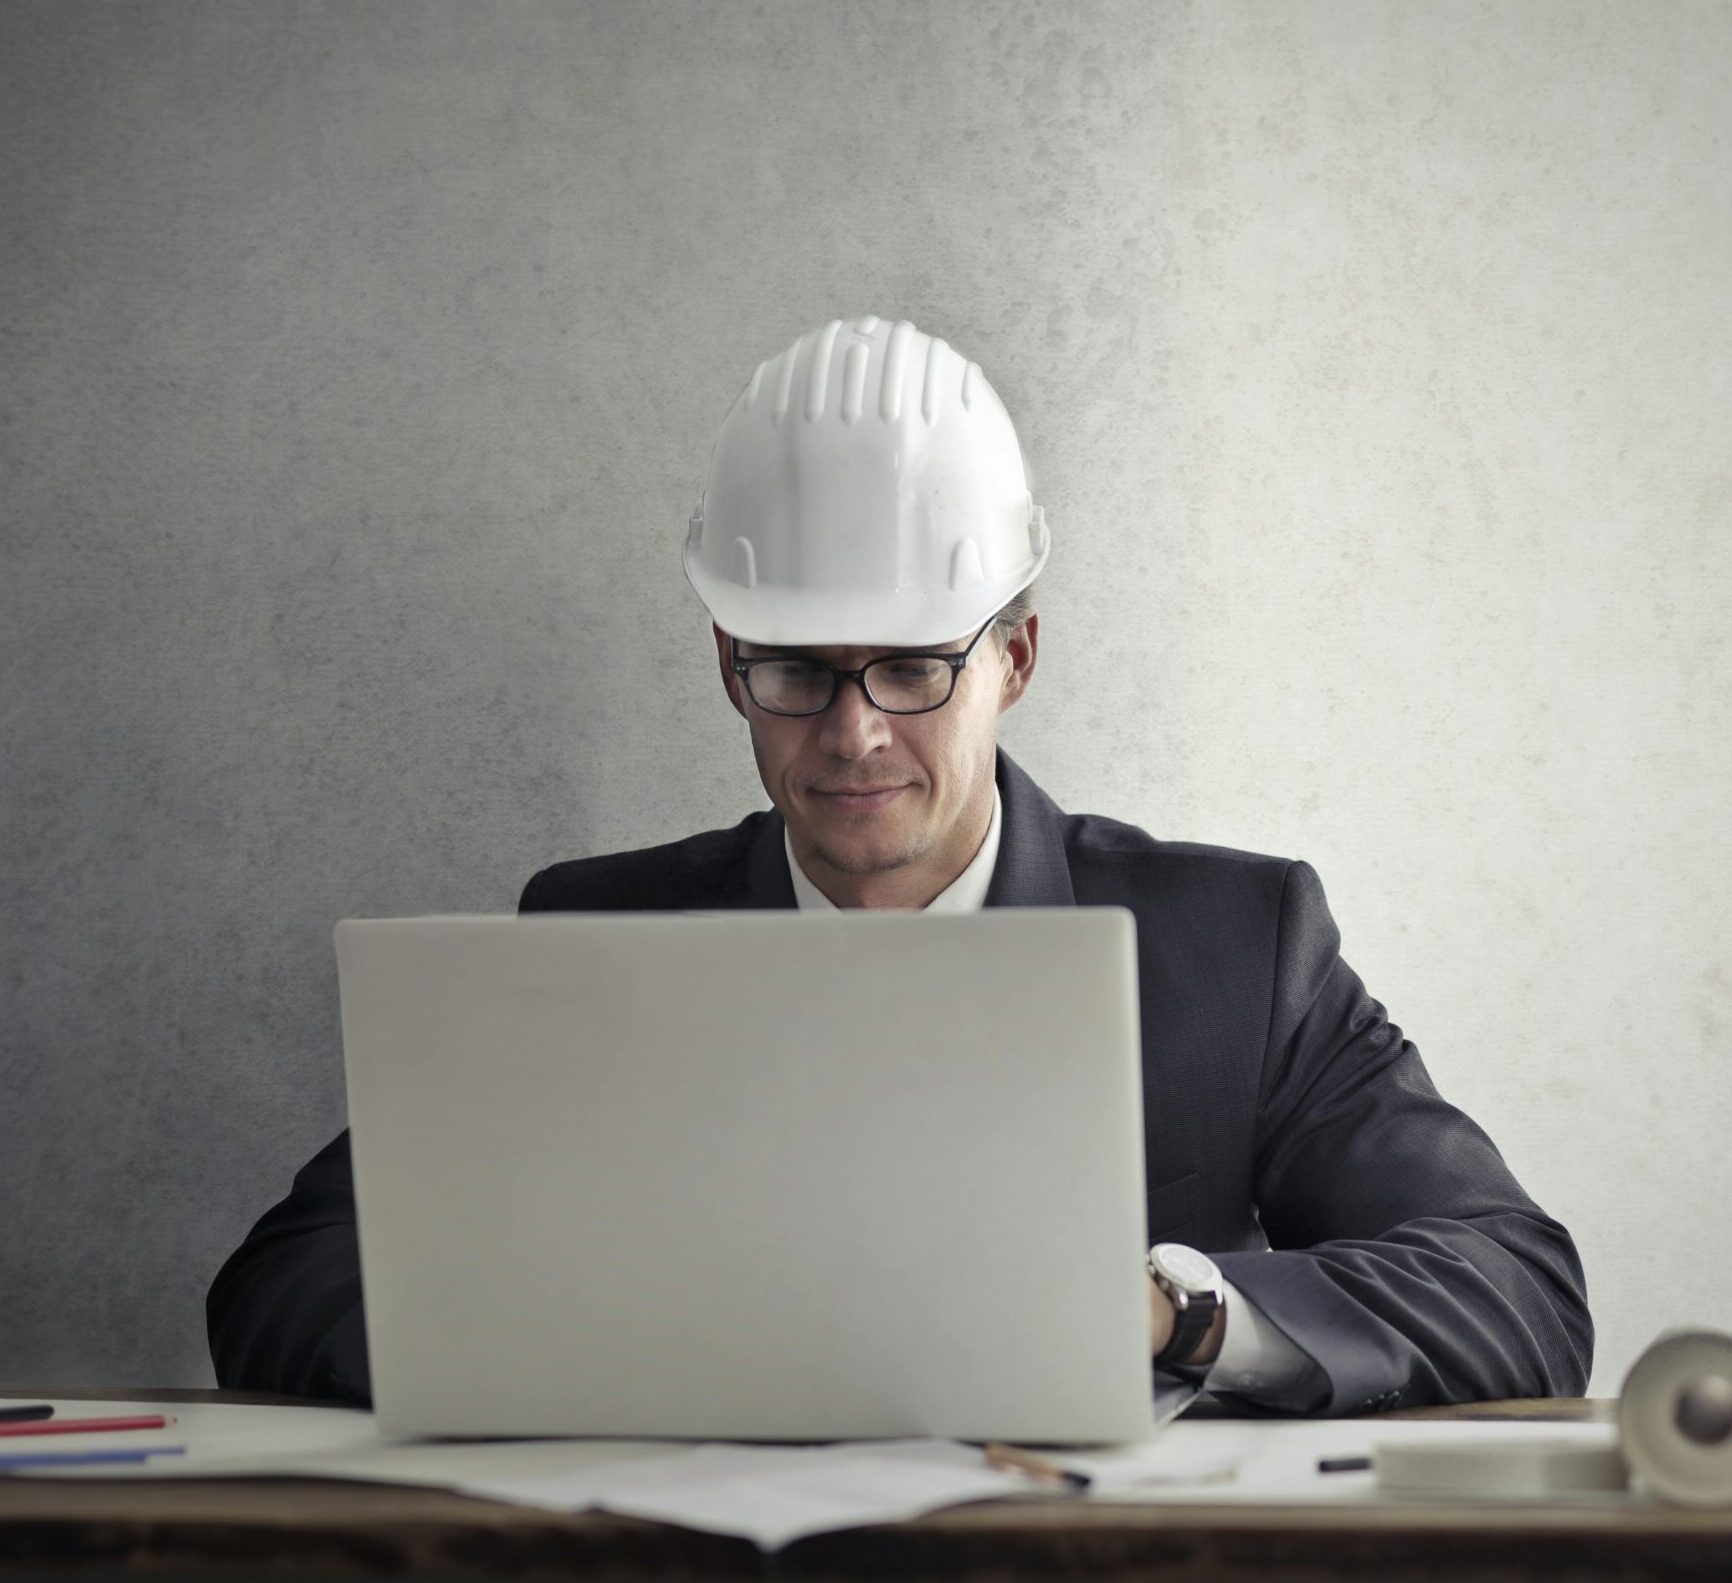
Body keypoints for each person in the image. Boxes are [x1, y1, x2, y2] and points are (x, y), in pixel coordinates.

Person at [207, 316, 1593, 1415]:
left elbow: (1514, 1285)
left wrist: (1164, 1314)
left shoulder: (1237, 944)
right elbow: (285, 1283)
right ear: (729, 666)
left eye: (916, 667)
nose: (854, 731)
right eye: (796, 671)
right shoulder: (591, 935)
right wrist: (580, 1333)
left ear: (1014, 659)